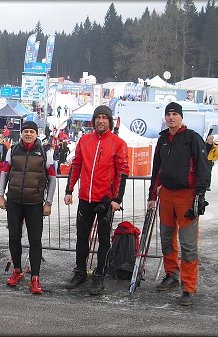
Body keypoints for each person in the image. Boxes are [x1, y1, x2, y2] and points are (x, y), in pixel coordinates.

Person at [147, 102, 210, 306]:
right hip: (166, 194)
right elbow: (157, 169)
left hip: (186, 196)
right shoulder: (163, 139)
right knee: (166, 238)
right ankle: (172, 274)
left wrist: (200, 195)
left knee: (188, 244)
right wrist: (151, 196)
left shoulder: (192, 138)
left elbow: (203, 167)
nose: (171, 117)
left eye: (175, 114)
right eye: (168, 114)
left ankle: (189, 287)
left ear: (181, 117)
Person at [63, 105, 129, 296]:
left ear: (109, 121)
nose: (101, 121)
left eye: (104, 118)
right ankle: (80, 271)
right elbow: (76, 165)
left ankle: (99, 275)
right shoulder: (84, 140)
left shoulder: (118, 143)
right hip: (85, 198)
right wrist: (69, 189)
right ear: (93, 121)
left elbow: (122, 172)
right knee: (82, 237)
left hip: (105, 200)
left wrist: (117, 199)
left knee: (103, 239)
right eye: (98, 117)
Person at [0, 121, 57, 294]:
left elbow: (52, 179)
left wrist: (49, 202)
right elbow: (5, 173)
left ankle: (35, 278)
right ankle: (17, 271)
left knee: (35, 241)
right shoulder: (13, 150)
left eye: (31, 131)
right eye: (26, 131)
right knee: (14, 237)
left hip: (35, 203)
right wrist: (1, 195)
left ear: (36, 134)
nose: (28, 134)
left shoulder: (46, 152)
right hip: (14, 201)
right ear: (22, 133)